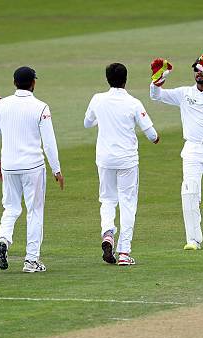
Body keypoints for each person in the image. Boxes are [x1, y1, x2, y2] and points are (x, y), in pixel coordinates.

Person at [149, 54, 203, 250]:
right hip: (192, 149)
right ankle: (192, 239)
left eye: (202, 69)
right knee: (189, 192)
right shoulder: (184, 93)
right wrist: (156, 81)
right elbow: (157, 96)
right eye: (196, 69)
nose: (198, 73)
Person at [0, 66, 63, 273]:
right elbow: (49, 143)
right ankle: (31, 261)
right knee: (35, 212)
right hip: (33, 167)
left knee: (11, 208)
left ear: (14, 83)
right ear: (33, 83)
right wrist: (56, 169)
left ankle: (3, 241)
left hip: (9, 166)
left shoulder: (1, 106)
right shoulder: (41, 107)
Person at [84, 63, 160, 266]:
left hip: (105, 159)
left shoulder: (97, 99)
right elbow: (152, 135)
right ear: (126, 80)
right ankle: (124, 252)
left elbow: (87, 123)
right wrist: (156, 139)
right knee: (127, 202)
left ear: (107, 79)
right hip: (127, 159)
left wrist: (104, 120)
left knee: (107, 200)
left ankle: (108, 234)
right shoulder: (133, 103)